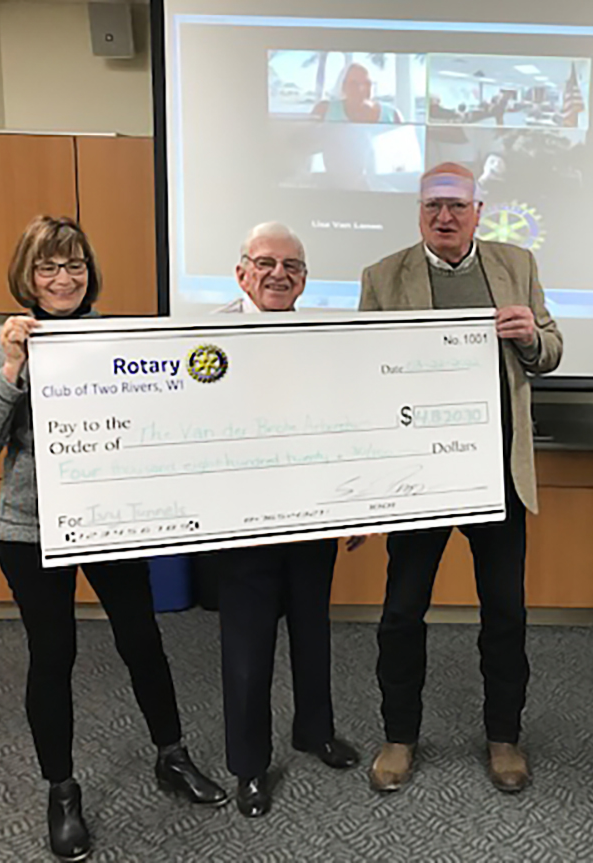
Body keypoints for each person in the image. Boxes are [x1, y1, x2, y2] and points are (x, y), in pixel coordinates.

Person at [0, 215, 227, 863]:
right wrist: (14, 369)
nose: (63, 278)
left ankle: (171, 754)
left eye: (74, 265)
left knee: (143, 640)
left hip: (112, 522)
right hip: (31, 532)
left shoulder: (117, 338)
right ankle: (62, 789)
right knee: (53, 656)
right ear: (27, 274)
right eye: (49, 266)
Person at [359, 163, 562, 794]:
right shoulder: (383, 277)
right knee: (400, 615)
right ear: (418, 213)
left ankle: (504, 737)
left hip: (497, 472)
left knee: (505, 614)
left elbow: (551, 351)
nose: (444, 217)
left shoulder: (516, 265)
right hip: (418, 476)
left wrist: (531, 337)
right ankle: (400, 737)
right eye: (432, 207)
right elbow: (360, 371)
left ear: (479, 210)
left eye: (456, 205)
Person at [213, 222, 362, 818]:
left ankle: (314, 731)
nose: (279, 275)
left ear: (306, 277)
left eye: (293, 266)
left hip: (312, 512)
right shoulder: (205, 335)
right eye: (266, 262)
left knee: (312, 630)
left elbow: (346, 420)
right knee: (247, 651)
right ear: (242, 270)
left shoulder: (326, 335)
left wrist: (352, 505)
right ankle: (249, 766)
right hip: (242, 522)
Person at [311, 62, 403, 124]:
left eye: (366, 83)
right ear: (343, 86)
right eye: (354, 84)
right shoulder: (324, 110)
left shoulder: (392, 115)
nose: (361, 89)